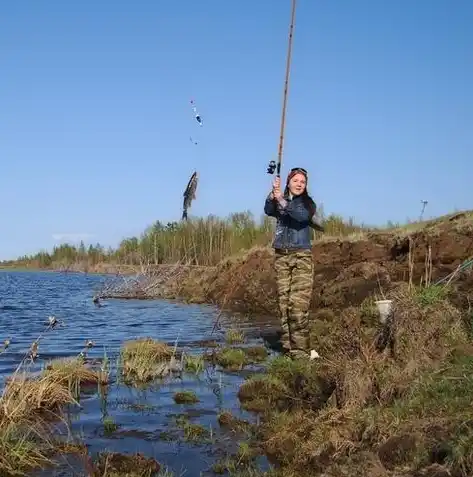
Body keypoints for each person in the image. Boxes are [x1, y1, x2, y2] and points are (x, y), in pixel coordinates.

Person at [264, 167, 323, 359]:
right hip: (282, 256)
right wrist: (273, 194)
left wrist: (281, 199)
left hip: (301, 257)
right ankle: (290, 349)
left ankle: (301, 354)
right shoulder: (281, 201)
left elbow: (301, 216)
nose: (299, 184)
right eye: (296, 180)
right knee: (284, 307)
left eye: (302, 182)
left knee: (297, 308)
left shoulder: (307, 203)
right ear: (289, 182)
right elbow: (268, 209)